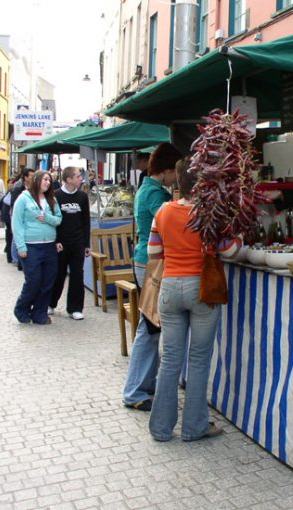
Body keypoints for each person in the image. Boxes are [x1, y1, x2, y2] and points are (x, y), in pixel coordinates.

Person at [147, 157, 239, 441]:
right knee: (198, 359)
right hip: (202, 289)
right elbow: (231, 251)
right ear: (203, 185)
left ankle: (161, 429)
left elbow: (152, 254)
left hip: (170, 288)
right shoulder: (212, 214)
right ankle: (194, 427)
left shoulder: (163, 211)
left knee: (171, 358)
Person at [123, 142, 182, 411]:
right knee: (148, 329)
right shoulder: (155, 195)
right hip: (152, 266)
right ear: (167, 170)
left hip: (147, 263)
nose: (176, 178)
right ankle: (135, 392)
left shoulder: (149, 189)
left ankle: (145, 385)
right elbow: (171, 227)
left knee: (150, 328)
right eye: (175, 172)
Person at [12, 170, 62, 325]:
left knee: (48, 281)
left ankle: (39, 313)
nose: (48, 182)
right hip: (31, 246)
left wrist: (47, 218)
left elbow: (58, 219)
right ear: (36, 180)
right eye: (45, 179)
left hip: (49, 246)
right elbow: (17, 223)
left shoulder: (51, 199)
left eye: (49, 180)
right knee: (34, 280)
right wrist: (21, 246)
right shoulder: (23, 199)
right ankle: (21, 308)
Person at [49, 166, 91, 320]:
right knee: (58, 274)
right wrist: (56, 241)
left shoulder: (82, 196)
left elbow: (86, 221)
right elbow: (53, 221)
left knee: (77, 275)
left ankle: (75, 308)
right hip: (62, 243)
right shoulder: (56, 196)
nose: (81, 178)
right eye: (78, 176)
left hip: (78, 242)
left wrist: (87, 244)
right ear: (69, 179)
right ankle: (51, 303)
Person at [10, 168, 35, 269]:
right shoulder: (18, 188)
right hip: (20, 216)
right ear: (25, 177)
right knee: (17, 237)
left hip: (28, 217)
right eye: (31, 176)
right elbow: (15, 204)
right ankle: (16, 259)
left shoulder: (32, 187)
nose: (33, 178)